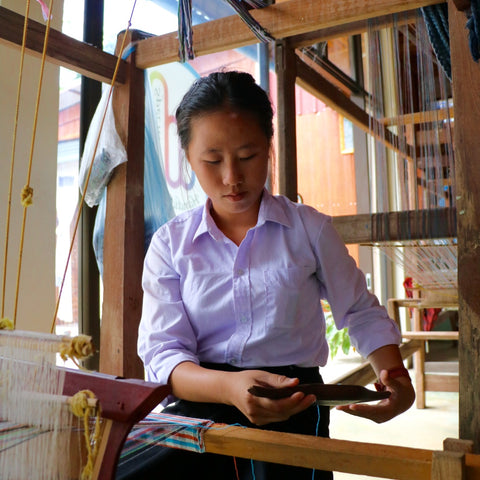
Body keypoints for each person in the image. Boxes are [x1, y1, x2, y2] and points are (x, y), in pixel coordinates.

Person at [124, 70, 415, 480]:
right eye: (212, 160)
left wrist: (395, 375)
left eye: (248, 156)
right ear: (189, 159)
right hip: (199, 405)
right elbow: (163, 354)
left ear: (269, 148)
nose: (232, 177)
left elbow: (359, 312)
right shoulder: (171, 246)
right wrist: (227, 388)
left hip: (294, 403)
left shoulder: (309, 230)